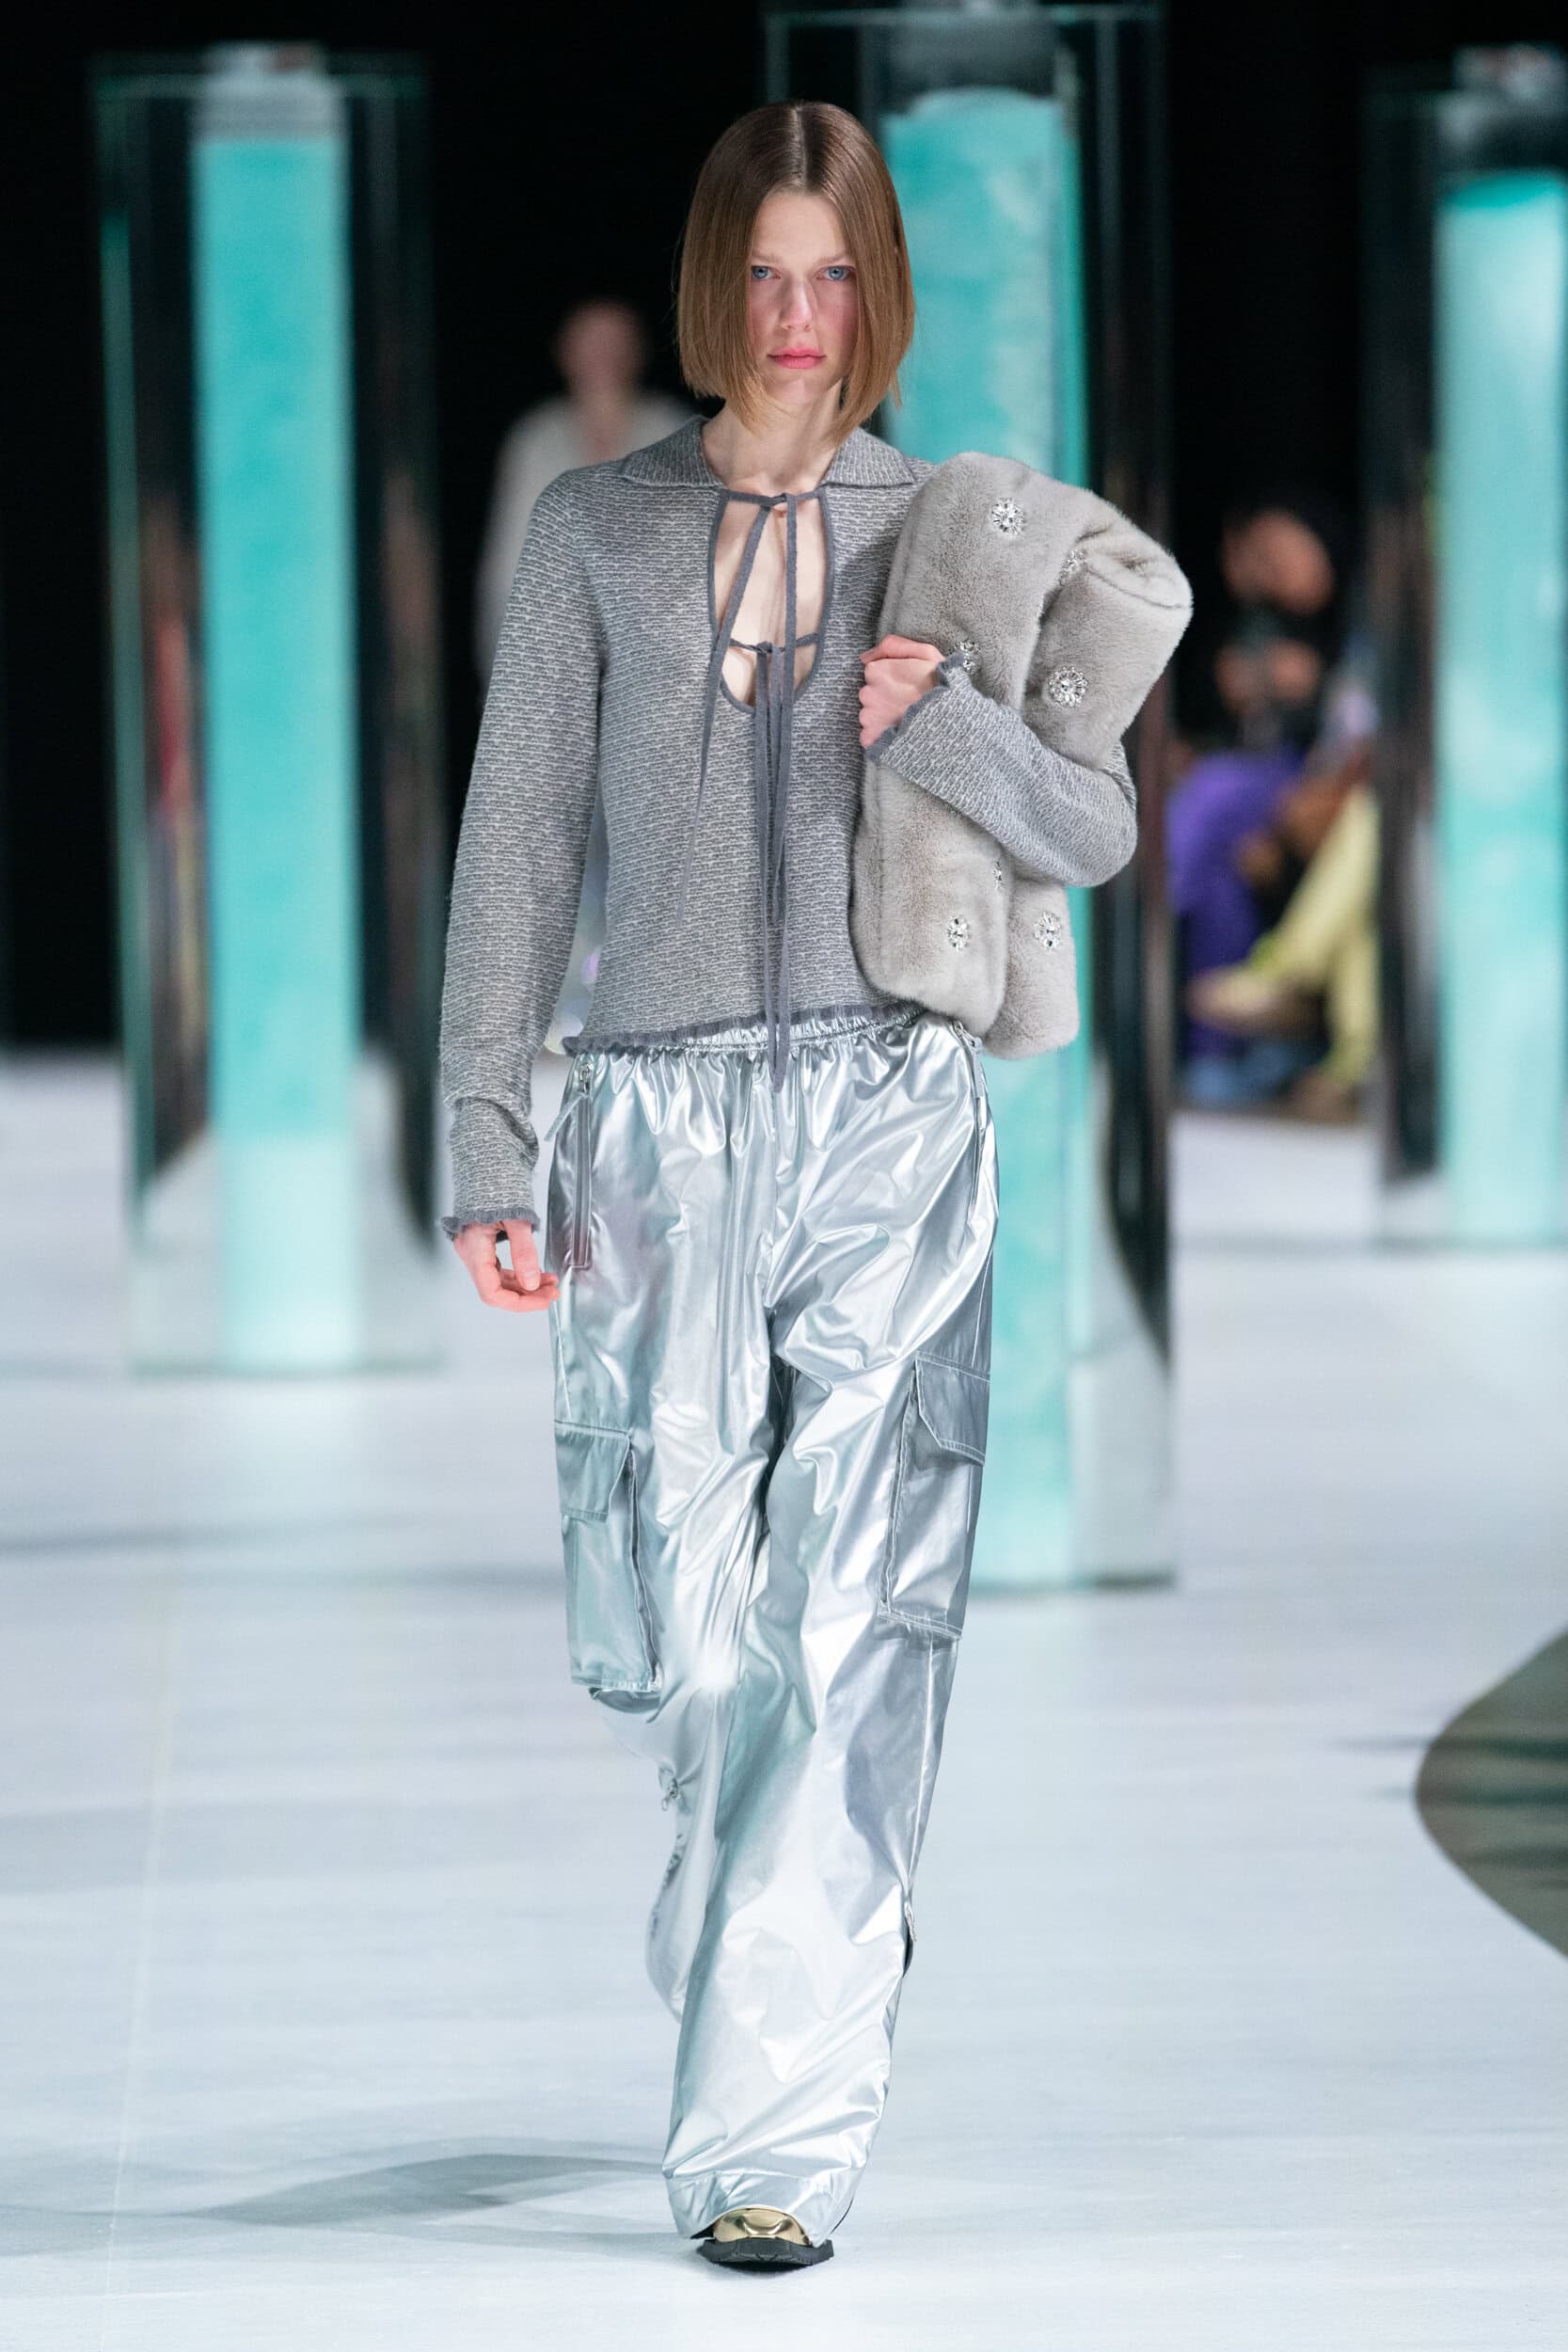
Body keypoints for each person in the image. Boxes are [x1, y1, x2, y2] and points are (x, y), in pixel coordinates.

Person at [436, 101, 1139, 2271]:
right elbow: (517, 836)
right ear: (712, 282)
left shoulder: (948, 528)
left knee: (851, 1616)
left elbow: (1093, 827)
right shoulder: (594, 532)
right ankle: (779, 1902)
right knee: (698, 1639)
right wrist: (484, 1132)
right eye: (764, 271)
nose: (798, 315)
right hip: (651, 1125)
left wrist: (949, 730)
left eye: (835, 276)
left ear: (879, 291)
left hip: (885, 1111)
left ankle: (771, 2142)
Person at [473, 303, 691, 1051]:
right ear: (565, 353)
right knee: (557, 848)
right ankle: (561, 1012)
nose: (599, 357)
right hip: (557, 679)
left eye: (612, 343)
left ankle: (646, 1005)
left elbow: (699, 560)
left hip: (655, 680)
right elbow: (508, 566)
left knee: (653, 844)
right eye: (586, 343)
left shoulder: (670, 430)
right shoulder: (537, 439)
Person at [1166, 486, 1357, 1104]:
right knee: (1222, 869)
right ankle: (1219, 1056)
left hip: (1308, 784)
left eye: (1287, 550)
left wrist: (1303, 686)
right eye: (1261, 555)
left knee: (1212, 796)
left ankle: (1156, 905)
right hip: (1245, 785)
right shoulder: (1237, 622)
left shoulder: (1358, 620)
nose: (1279, 566)